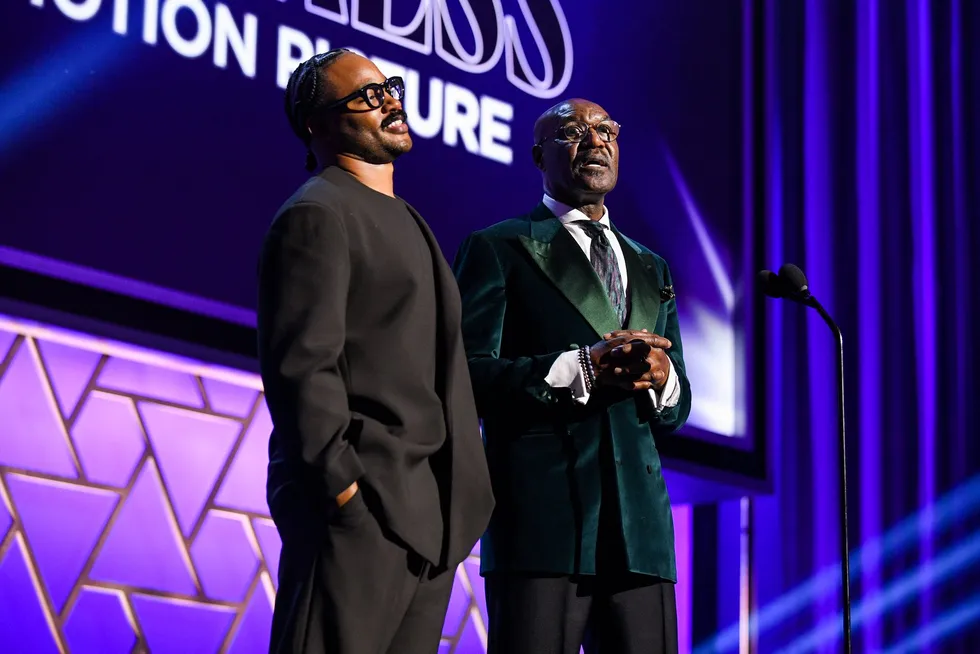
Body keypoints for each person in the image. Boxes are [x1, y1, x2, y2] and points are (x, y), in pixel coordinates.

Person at [257, 49, 494, 654]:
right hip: (359, 515)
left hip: (428, 525)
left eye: (388, 86)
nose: (389, 99)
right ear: (317, 124)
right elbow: (302, 369)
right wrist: (345, 496)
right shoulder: (316, 214)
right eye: (365, 95)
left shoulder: (410, 219)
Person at [452, 98, 692, 654]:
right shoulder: (499, 246)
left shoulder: (651, 266)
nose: (596, 139)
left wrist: (663, 377)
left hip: (641, 534)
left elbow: (677, 407)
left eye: (608, 129)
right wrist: (581, 368)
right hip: (543, 523)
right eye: (574, 132)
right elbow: (465, 376)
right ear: (539, 155)